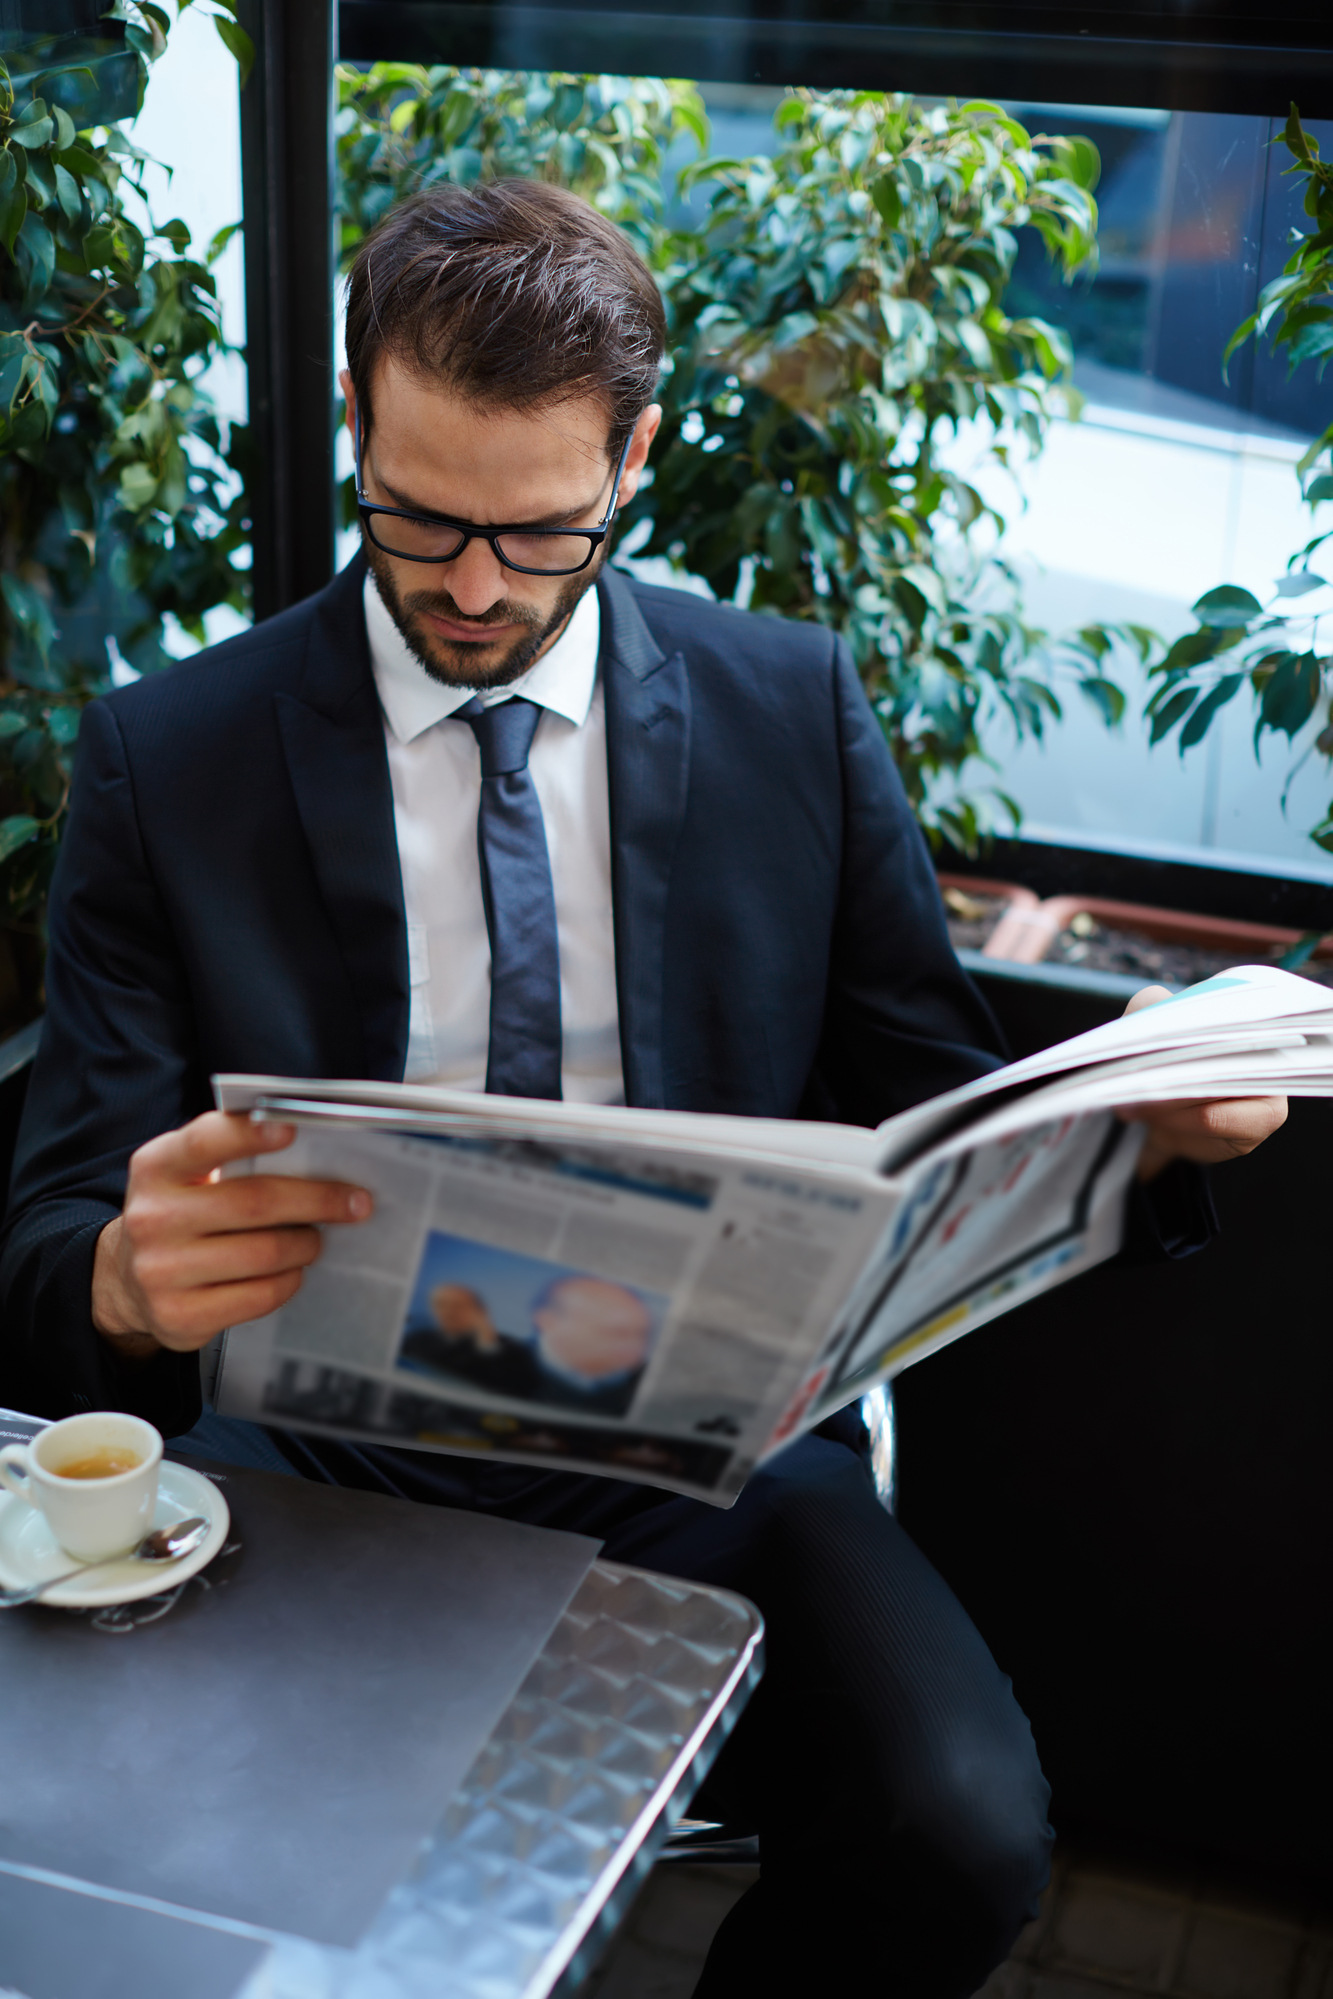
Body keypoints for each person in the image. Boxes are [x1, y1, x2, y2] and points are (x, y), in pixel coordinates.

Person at [0, 179, 1285, 1996]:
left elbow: (940, 1093)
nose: (466, 587)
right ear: (355, 412)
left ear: (631, 459)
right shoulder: (171, 754)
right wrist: (122, 1282)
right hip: (308, 1448)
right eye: (416, 516)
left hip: (713, 1451)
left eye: (536, 537)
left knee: (961, 1826)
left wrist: (1133, 1137)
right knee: (165, 1871)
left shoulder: (789, 711)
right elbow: (52, 1233)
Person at [401, 1272, 655, 1416]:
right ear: (549, 1321)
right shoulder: (467, 1357)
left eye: (641, 1333)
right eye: (615, 1332)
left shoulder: (644, 1389)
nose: (634, 1345)